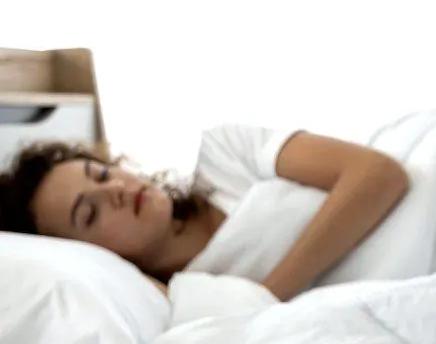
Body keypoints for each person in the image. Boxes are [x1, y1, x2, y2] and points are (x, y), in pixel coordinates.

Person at [0, 124, 409, 300]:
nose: (118, 191)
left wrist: (270, 293)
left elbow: (379, 174)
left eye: (103, 175)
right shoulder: (187, 300)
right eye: (90, 214)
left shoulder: (223, 155)